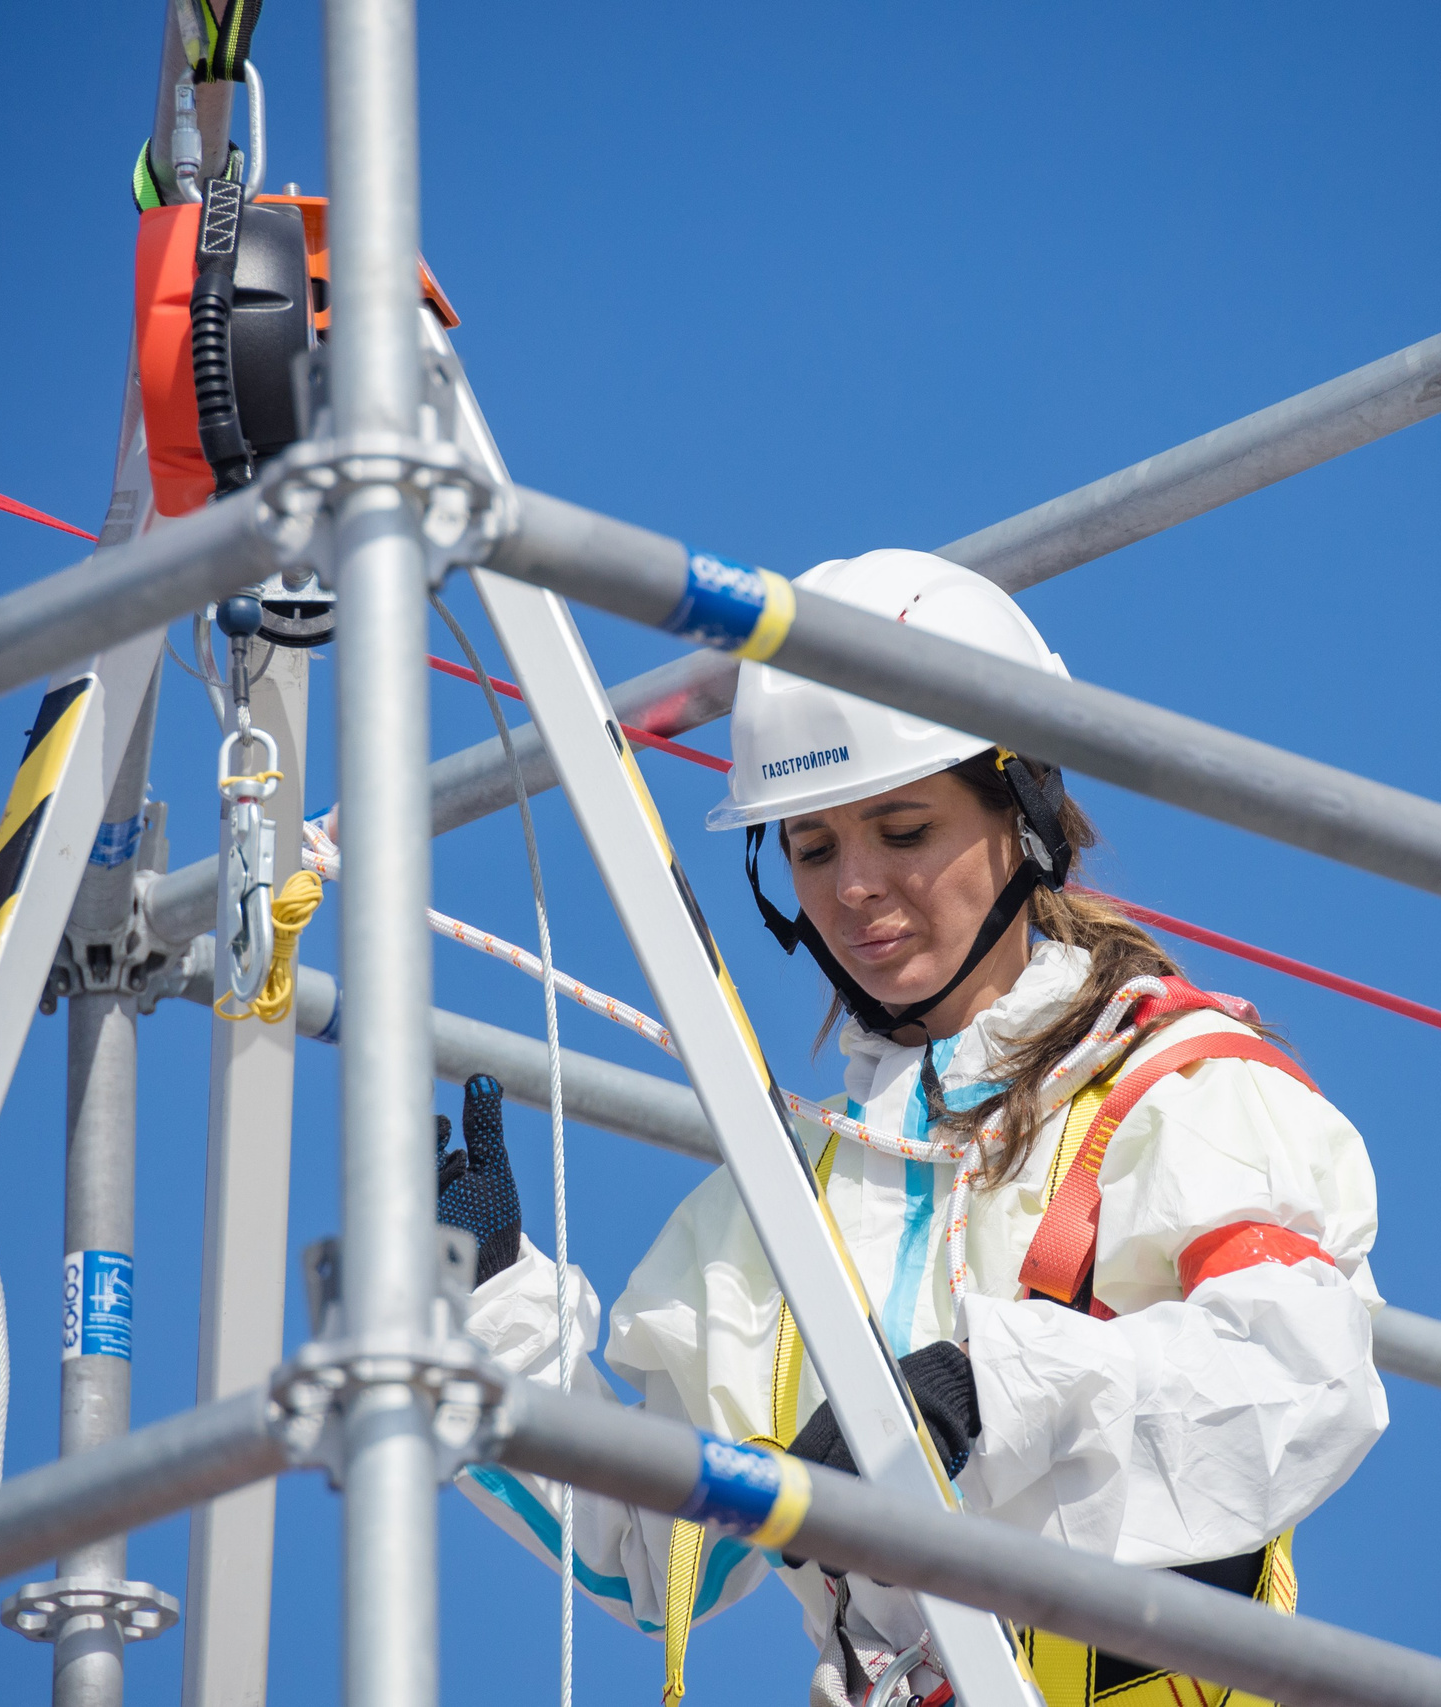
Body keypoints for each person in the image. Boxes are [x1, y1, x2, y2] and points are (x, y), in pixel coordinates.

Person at [455, 550, 1388, 1707]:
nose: (853, 888)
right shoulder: (782, 1205)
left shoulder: (1175, 1088)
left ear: (1027, 811)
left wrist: (980, 1388)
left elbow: (1298, 1374)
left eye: (901, 829)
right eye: (812, 846)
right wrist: (488, 1312)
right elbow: (655, 1561)